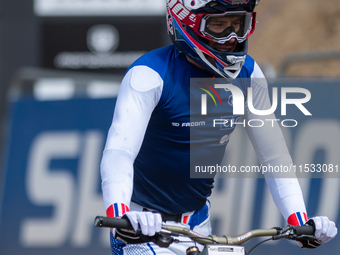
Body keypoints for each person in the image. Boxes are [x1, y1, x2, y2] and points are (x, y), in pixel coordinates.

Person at [100, 0, 337, 254]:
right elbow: (119, 152)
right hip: (142, 228)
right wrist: (120, 213)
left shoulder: (249, 73)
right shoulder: (149, 74)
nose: (231, 37)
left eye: (238, 24)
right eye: (218, 26)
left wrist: (299, 221)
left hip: (199, 225)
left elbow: (274, 156)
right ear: (185, 22)